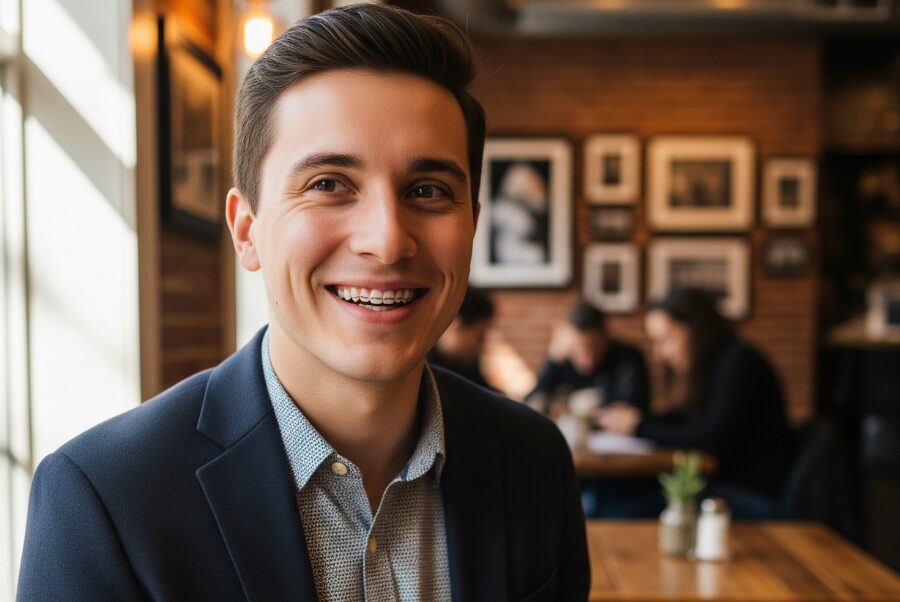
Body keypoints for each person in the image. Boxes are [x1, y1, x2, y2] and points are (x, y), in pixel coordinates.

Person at [17, 6, 589, 601]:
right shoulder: (103, 499)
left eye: (428, 190)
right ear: (246, 230)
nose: (388, 240)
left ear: (472, 225)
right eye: (329, 184)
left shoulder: (536, 461)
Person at [598, 287, 795, 516]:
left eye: (666, 339)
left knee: (616, 508)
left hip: (747, 493)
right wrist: (639, 420)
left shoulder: (738, 363)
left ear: (696, 330)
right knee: (611, 492)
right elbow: (689, 420)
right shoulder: (714, 366)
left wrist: (639, 426)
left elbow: (708, 439)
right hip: (721, 484)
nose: (660, 353)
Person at [527, 301, 649, 416]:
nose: (587, 359)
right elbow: (535, 398)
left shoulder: (628, 359)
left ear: (605, 337)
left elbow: (630, 409)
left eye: (592, 348)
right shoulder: (562, 359)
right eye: (578, 349)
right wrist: (552, 360)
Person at [427, 286, 497, 390]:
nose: (482, 347)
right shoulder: (421, 372)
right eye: (480, 336)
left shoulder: (465, 365)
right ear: (456, 325)